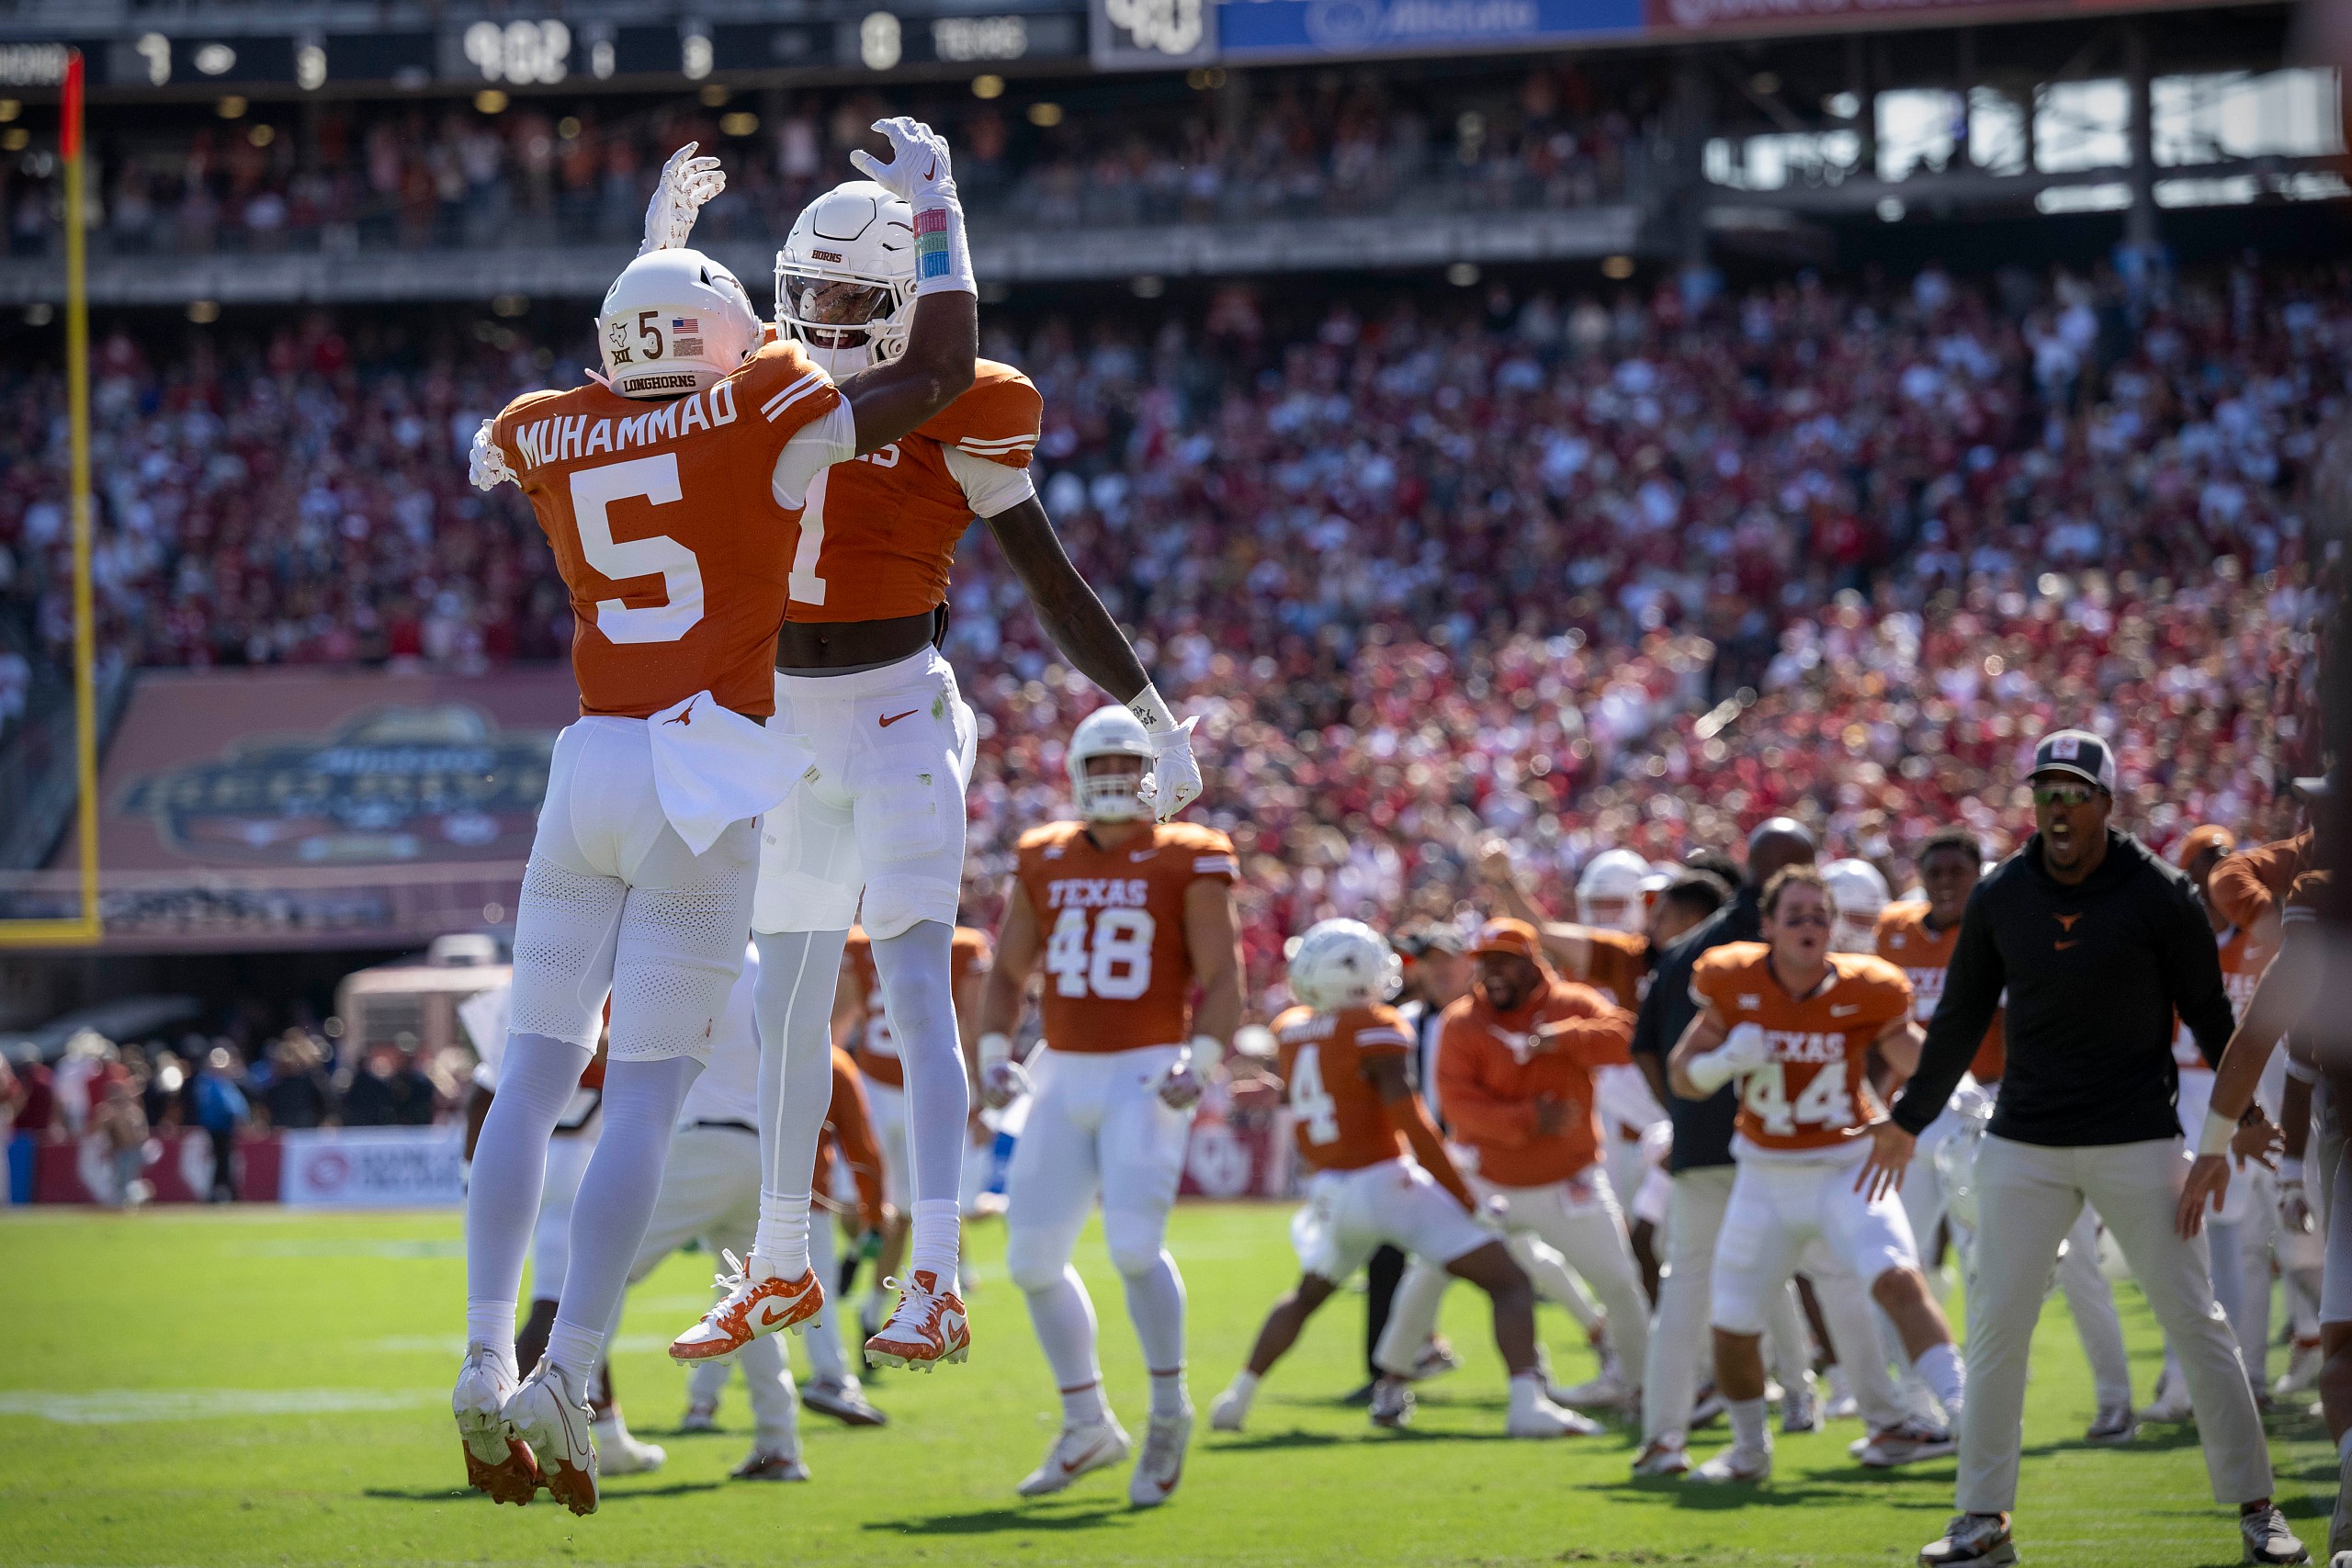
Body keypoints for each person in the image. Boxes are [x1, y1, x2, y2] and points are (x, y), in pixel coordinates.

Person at [456, 120, 979, 1516]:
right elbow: (929, 373)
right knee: (643, 1096)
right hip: (702, 772)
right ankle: (566, 1366)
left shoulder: (542, 424)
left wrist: (652, 254)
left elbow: (609, 395)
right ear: (734, 334)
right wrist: (935, 220)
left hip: (585, 764)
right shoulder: (759, 405)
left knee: (530, 1075)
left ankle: (474, 1348)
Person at [650, 133, 1204, 1383]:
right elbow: (655, 354)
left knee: (910, 989)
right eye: (816, 294)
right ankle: (784, 1254)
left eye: (856, 297)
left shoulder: (966, 397)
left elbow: (1054, 586)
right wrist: (665, 249)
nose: (828, 317)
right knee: (790, 1003)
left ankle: (939, 1275)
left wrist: (1158, 713)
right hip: (780, 722)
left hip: (900, 705)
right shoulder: (761, 381)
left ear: (904, 295)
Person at [1874, 729, 2305, 1568]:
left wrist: (2243, 1115)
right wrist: (1908, 1116)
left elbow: (2213, 1018)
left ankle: (2259, 1507)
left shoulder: (2161, 894)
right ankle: (1983, 1517)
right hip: (2025, 1139)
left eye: (2074, 793)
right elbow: (1959, 1017)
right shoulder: (2002, 894)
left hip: (2135, 1137)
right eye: (2046, 793)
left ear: (2108, 802)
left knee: (2195, 1316)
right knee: (1997, 1322)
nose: (2058, 808)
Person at [971, 705, 1245, 1506]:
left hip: (1146, 1068)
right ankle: (1087, 1421)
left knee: (1132, 1247)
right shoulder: (1044, 854)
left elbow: (1223, 976)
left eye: (1130, 764)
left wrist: (1203, 1058)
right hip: (1063, 1069)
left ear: (1154, 773)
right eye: (1101, 766)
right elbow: (1010, 971)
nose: (1116, 780)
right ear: (1076, 775)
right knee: (1030, 1261)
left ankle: (1168, 1410)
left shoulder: (1190, 855)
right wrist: (993, 1053)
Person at [1206, 920, 1595, 1439]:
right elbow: (1410, 1120)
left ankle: (1237, 1398)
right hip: (1385, 1181)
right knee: (1509, 1282)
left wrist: (1277, 1094)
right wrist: (1463, 1196)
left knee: (1306, 1297)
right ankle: (1527, 1402)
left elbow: (1333, 1090)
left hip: (1331, 1191)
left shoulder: (1293, 1029)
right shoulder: (1376, 1025)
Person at [1629, 819, 1909, 1475]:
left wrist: (1682, 1108)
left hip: (1709, 1147)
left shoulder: (1684, 954)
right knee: (1833, 1277)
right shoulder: (1766, 953)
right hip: (1784, 1148)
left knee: (1701, 1290)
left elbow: (1648, 1049)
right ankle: (1880, 1415)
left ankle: (1666, 1435)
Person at [1669, 866, 1965, 1483]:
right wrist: (1726, 1059)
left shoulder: (1867, 987)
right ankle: (1750, 1450)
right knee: (1732, 1320)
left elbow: (1916, 1056)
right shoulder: (1734, 980)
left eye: (1819, 915)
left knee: (1899, 1281)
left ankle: (1966, 1412)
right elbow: (1680, 1072)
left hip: (1845, 1166)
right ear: (1769, 925)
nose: (1809, 925)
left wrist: (1954, 1100)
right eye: (1795, 913)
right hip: (1765, 1175)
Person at [1875, 827, 2133, 1442]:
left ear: (1979, 875)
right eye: (1933, 870)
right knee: (1895, 1254)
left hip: (2005, 1101)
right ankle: (1917, 1404)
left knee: (2071, 1260)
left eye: (1956, 871)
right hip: (1922, 1106)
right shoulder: (1893, 932)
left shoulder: (2009, 924)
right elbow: (1880, 1028)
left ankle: (2115, 1398)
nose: (1944, 881)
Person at [598, 943, 890, 1481]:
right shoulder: (776, 965)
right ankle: (779, 1443)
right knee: (749, 1305)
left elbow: (615, 1050)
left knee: (596, 1269)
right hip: (771, 1157)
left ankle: (586, 1418)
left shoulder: (685, 960)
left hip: (707, 1143)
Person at [1372, 919, 1648, 1418]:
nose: (1492, 974)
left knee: (1619, 1282)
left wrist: (1561, 1040)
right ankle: (1392, 1377)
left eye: (1503, 963)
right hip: (1487, 1179)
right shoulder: (1462, 1022)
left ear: (1532, 963)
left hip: (1569, 1180)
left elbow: (1626, 1036)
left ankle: (1640, 1383)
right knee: (1428, 1271)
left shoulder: (1571, 1004)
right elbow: (1459, 1107)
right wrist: (1529, 1119)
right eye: (1485, 964)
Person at [2177, 826, 2337, 1561]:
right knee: (2254, 1236)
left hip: (2301, 1098)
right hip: (2306, 1099)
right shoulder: (2301, 887)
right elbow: (2272, 1044)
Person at [830, 921, 990, 1319]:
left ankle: (874, 1308)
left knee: (903, 1211)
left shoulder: (962, 945)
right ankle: (859, 1249)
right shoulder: (863, 942)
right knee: (852, 1205)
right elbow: (841, 1018)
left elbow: (971, 1026)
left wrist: (980, 1098)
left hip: (927, 1087)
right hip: (874, 1084)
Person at [1351, 923, 1472, 1404]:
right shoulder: (1403, 1020)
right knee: (1385, 1259)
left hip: (1474, 1156)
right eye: (1430, 962)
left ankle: (1539, 1369)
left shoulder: (1481, 1020)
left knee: (1517, 1262)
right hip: (1412, 1158)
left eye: (1449, 961)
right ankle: (1383, 1371)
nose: (1440, 971)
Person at [192, 1047, 248, 1202]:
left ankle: (224, 1192)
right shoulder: (212, 1082)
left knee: (224, 1162)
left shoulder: (218, 1082)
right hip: (218, 1129)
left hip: (222, 1128)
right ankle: (219, 1194)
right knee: (221, 1162)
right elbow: (231, 1107)